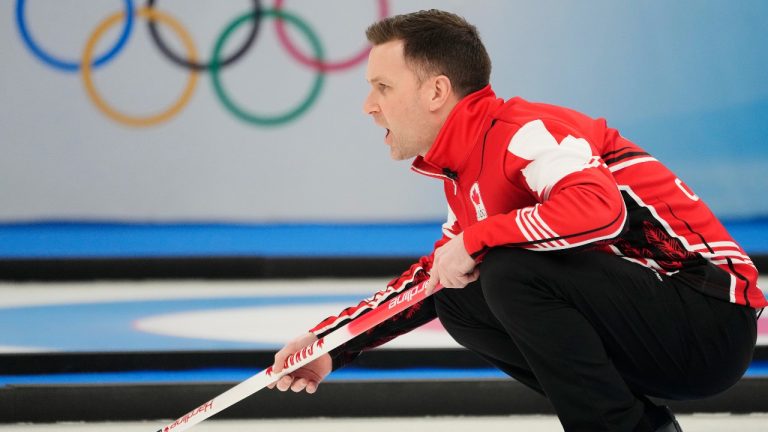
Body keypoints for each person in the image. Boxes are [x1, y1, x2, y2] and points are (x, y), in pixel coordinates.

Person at [267, 9, 766, 432]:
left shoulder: (525, 132)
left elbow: (600, 210)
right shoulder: (468, 166)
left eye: (382, 86)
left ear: (436, 91)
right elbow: (436, 274)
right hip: (661, 327)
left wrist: (479, 238)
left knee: (504, 268)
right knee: (457, 293)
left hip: (710, 320)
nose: (368, 106)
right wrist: (332, 344)